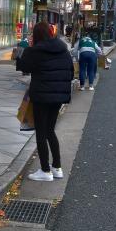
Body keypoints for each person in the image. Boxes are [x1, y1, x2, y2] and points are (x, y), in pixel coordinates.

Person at [17, 21, 74, 182]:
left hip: (41, 96)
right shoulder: (63, 48)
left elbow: (23, 67)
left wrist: (23, 49)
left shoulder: (35, 51)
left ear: (36, 35)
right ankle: (57, 168)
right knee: (50, 130)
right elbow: (70, 71)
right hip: (58, 97)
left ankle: (45, 170)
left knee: (41, 132)